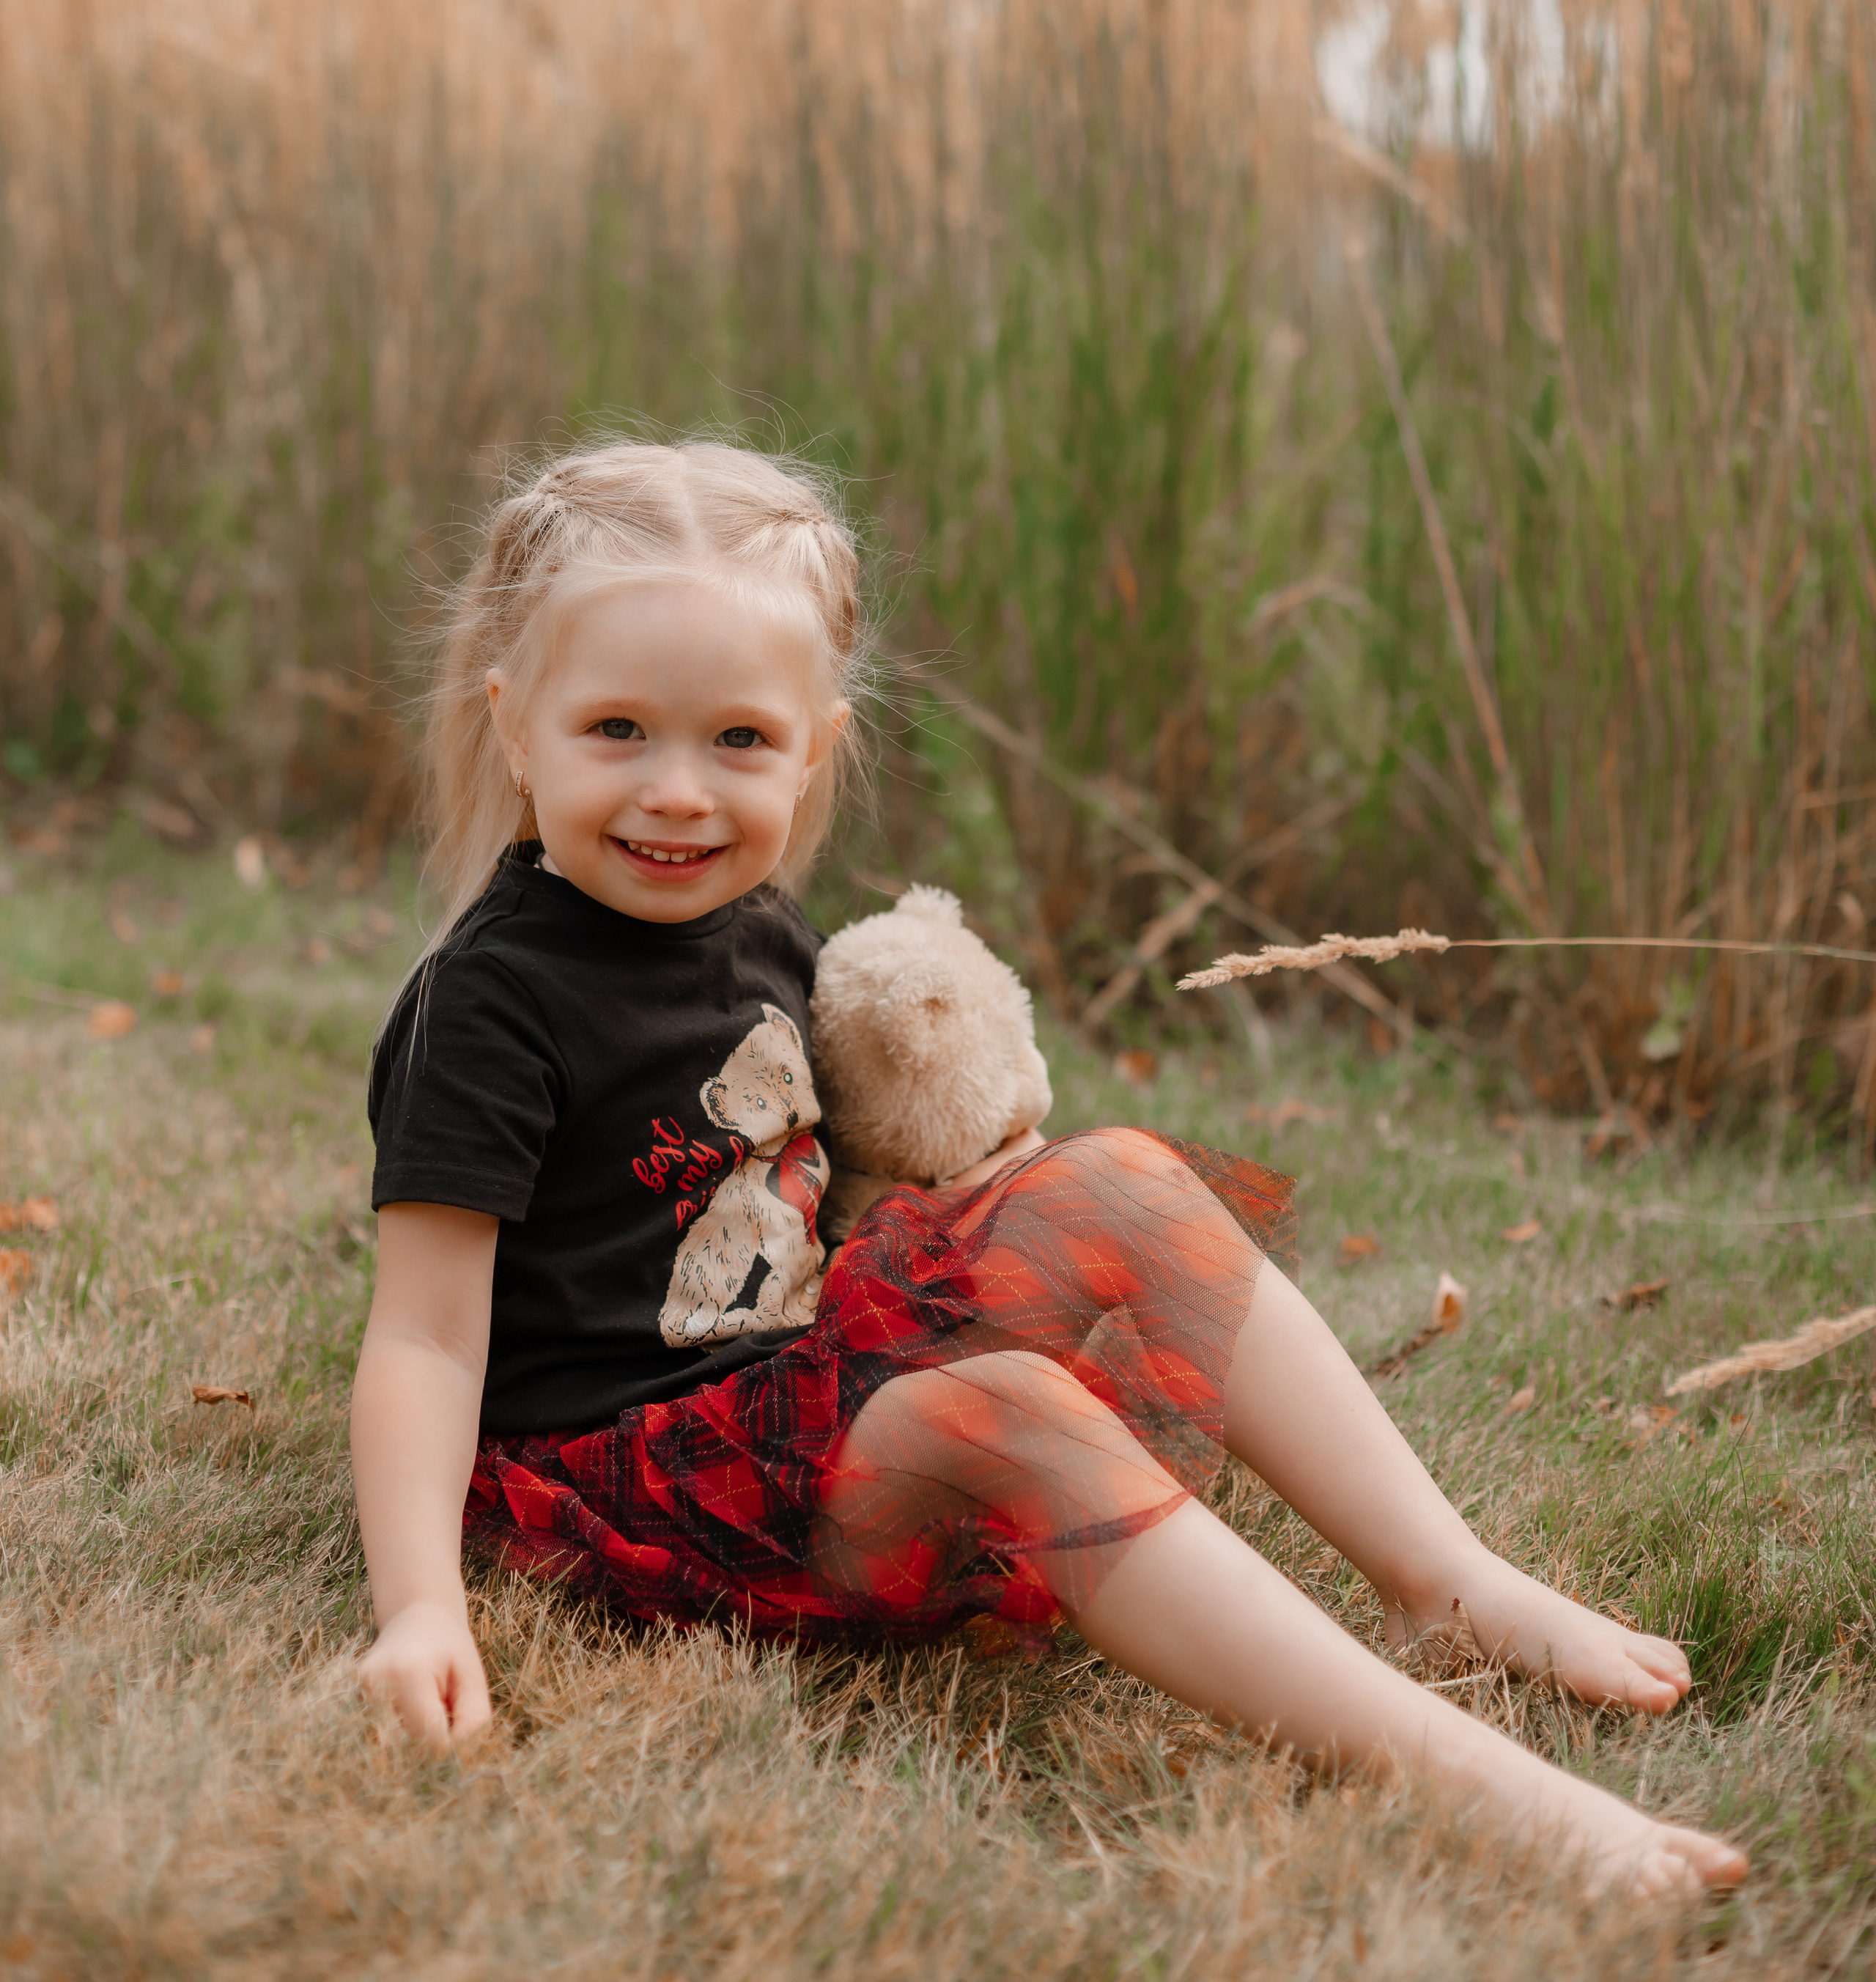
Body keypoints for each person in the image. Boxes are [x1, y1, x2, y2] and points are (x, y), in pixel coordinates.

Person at [354, 437, 1747, 1901]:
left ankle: (1445, 1586)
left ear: (814, 747)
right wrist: (417, 1610)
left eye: (739, 743)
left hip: (784, 1376)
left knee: (1125, 1176)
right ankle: (1488, 1797)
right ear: (516, 727)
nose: (679, 793)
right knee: (1009, 1411)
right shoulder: (490, 1007)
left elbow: (846, 1178)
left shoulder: (757, 927)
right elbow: (425, 1341)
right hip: (620, 1479)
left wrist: (1011, 1217)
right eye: (618, 731)